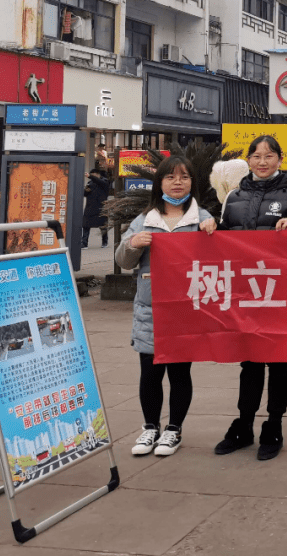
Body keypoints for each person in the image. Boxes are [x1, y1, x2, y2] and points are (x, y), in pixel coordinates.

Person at [213, 135, 287, 461]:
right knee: (250, 359)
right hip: (245, 292)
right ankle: (244, 424)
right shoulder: (236, 195)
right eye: (256, 156)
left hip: (280, 291)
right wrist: (208, 228)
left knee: (279, 359)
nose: (262, 161)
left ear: (280, 159)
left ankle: (274, 425)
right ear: (250, 160)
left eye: (269, 155)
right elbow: (221, 239)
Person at [115, 155, 215, 457]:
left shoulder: (202, 218)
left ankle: (174, 429)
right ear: (159, 183)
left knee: (180, 372)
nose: (177, 183)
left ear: (192, 183)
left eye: (184, 177)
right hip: (150, 309)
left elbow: (219, 261)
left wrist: (213, 231)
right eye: (170, 177)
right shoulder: (144, 221)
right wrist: (133, 244)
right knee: (150, 371)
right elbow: (123, 261)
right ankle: (150, 428)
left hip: (186, 309)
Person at [82, 167, 111, 248]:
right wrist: (86, 191)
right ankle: (84, 243)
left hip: (101, 207)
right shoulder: (90, 183)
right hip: (90, 207)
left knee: (103, 226)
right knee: (85, 226)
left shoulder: (105, 182)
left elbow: (99, 181)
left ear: (98, 175)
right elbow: (85, 194)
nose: (92, 177)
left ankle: (104, 242)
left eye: (93, 175)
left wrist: (90, 176)